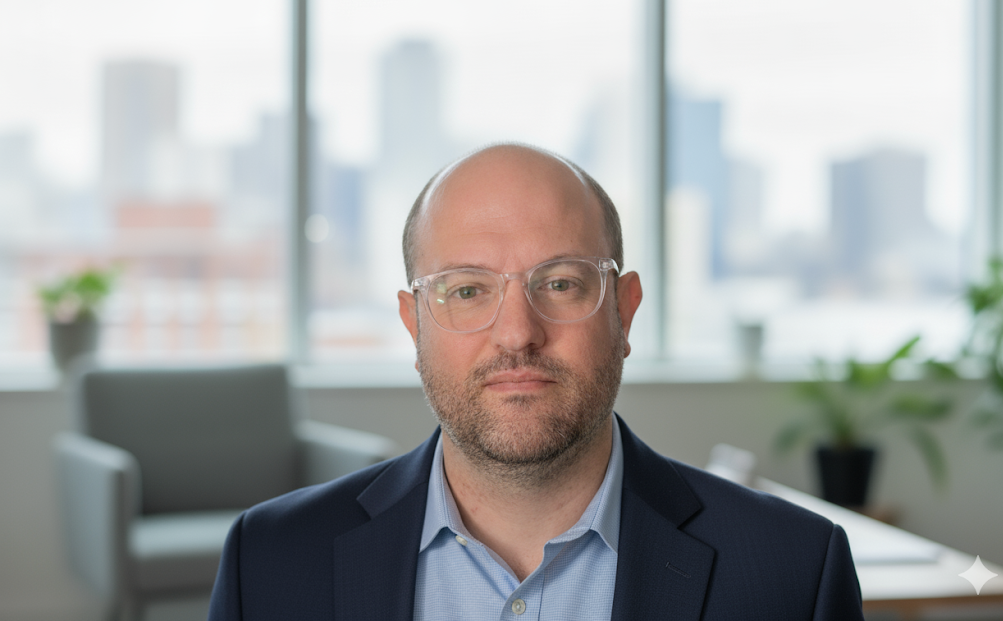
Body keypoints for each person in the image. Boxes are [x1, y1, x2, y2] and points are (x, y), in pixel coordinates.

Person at [209, 144, 864, 620]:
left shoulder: (792, 571)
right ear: (414, 325)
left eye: (560, 283)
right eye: (467, 290)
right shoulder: (269, 562)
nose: (517, 333)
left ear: (625, 311)